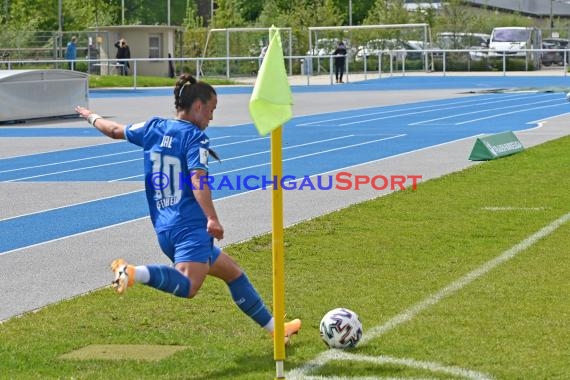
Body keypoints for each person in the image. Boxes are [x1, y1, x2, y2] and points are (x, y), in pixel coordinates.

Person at [74, 74, 301, 344]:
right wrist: (212, 218)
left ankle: (277, 330)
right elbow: (197, 178)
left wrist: (91, 116)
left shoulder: (154, 126)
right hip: (190, 226)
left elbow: (113, 130)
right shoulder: (194, 137)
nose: (212, 118)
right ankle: (132, 272)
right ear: (197, 107)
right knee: (189, 286)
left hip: (165, 227)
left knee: (233, 273)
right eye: (212, 110)